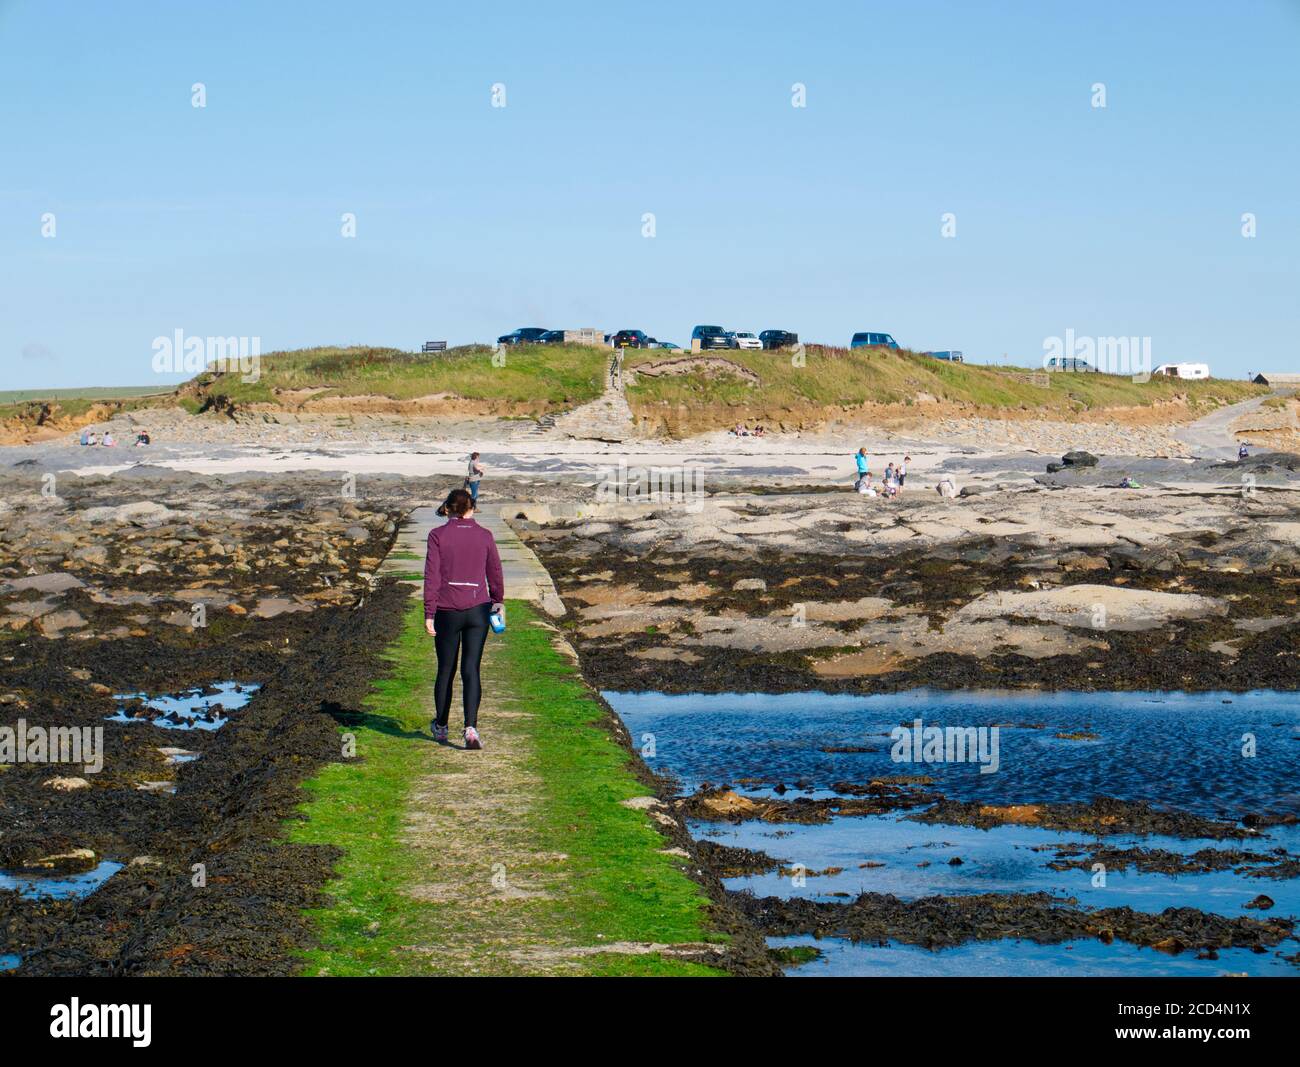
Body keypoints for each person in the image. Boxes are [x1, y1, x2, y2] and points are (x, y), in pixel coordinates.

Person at [423, 488, 504, 750]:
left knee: (446, 669)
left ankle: (442, 726)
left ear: (448, 509)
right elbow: (495, 571)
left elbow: (431, 577)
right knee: (471, 669)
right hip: (478, 609)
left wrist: (429, 612)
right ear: (472, 508)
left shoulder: (437, 535)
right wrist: (498, 601)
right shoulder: (485, 535)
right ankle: (471, 728)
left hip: (447, 610)